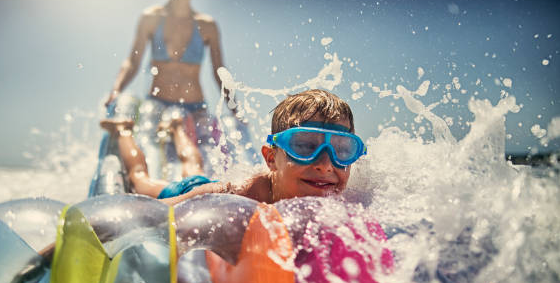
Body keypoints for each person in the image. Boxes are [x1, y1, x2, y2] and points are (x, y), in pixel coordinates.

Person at [100, 89, 367, 205]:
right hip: (194, 191)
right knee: (141, 181)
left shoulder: (342, 195)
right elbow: (160, 211)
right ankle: (123, 130)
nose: (325, 164)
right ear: (271, 158)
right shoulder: (246, 192)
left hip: (206, 180)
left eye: (342, 150)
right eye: (305, 146)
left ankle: (177, 128)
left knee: (192, 162)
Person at [104, 0, 238, 179]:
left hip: (195, 107)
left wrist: (234, 106)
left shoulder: (207, 25)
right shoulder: (151, 18)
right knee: (149, 143)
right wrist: (116, 90)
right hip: (157, 103)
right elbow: (132, 62)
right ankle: (148, 188)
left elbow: (219, 70)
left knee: (209, 154)